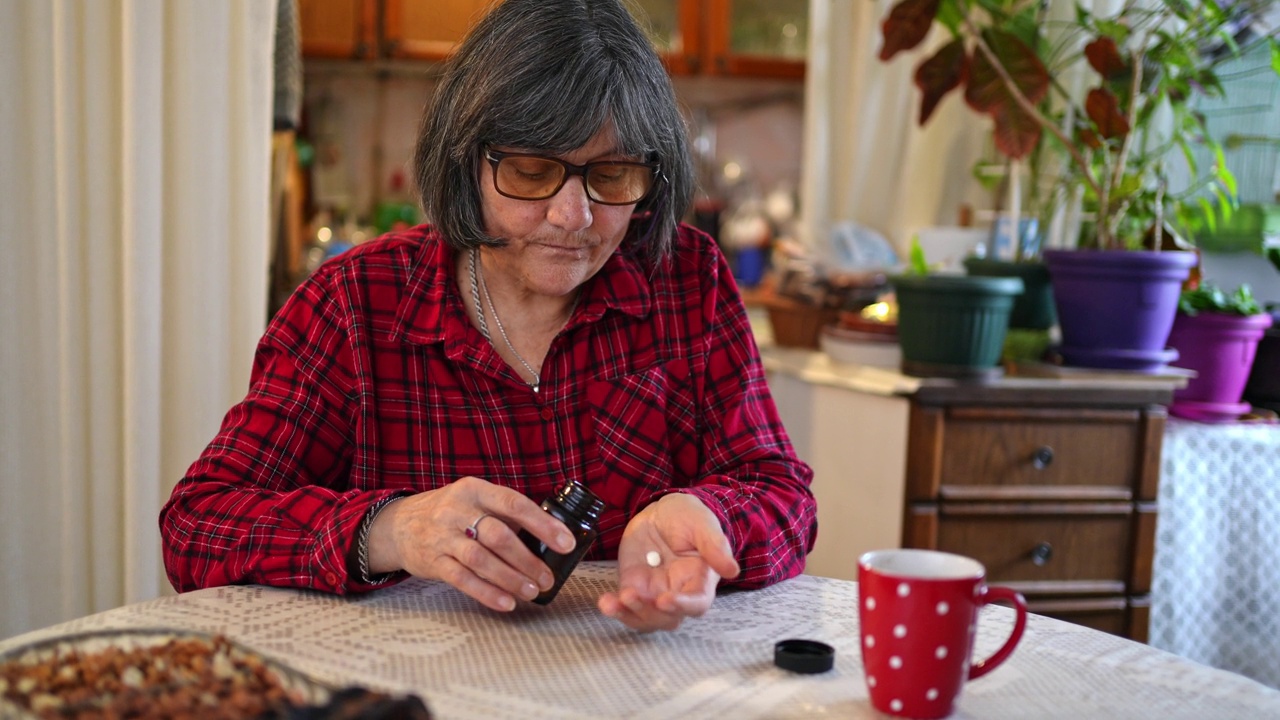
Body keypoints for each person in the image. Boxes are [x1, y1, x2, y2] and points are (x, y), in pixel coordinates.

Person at [160, 0, 816, 633]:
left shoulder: (685, 282)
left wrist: (704, 513)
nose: (573, 216)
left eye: (612, 177)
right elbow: (198, 526)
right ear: (464, 162)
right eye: (532, 173)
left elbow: (784, 496)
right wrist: (389, 530)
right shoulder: (354, 305)